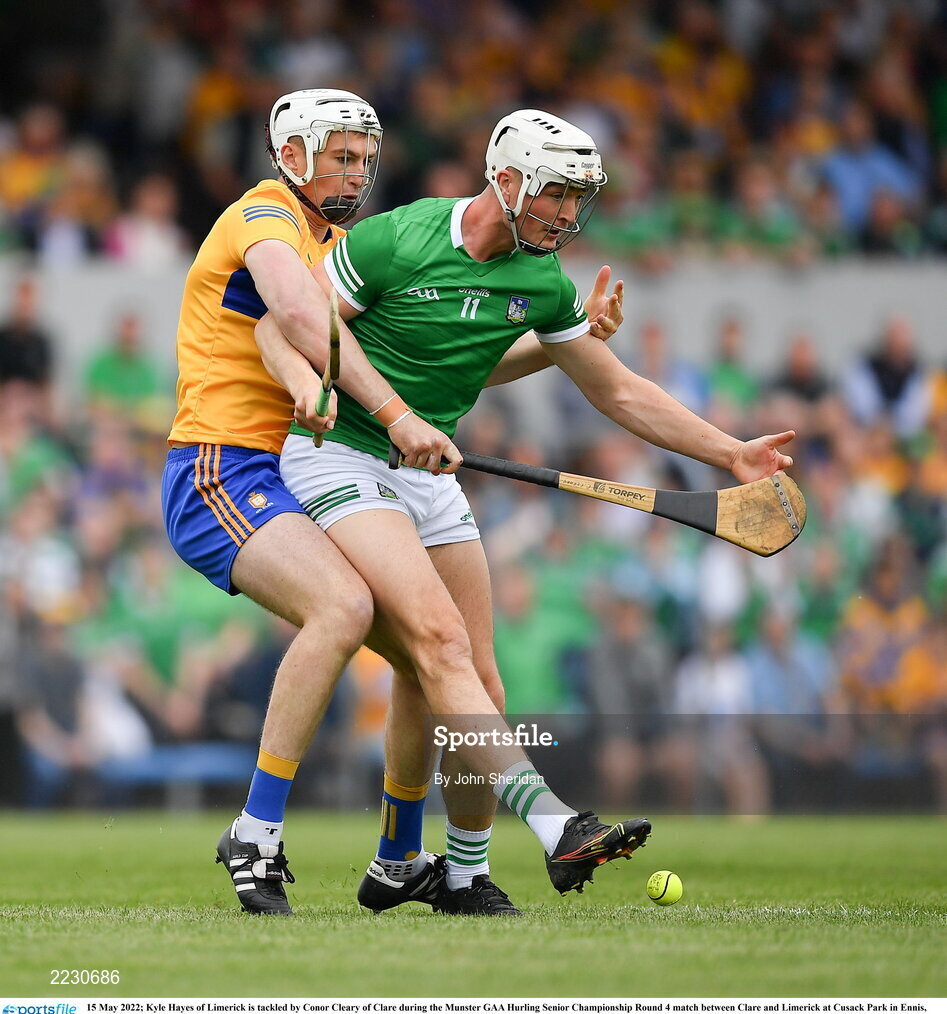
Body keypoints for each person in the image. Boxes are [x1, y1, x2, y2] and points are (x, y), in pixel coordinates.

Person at [263, 108, 796, 914]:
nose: (565, 215)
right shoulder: (392, 240)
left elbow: (615, 388)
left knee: (479, 679)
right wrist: (355, 402)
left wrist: (727, 454)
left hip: (429, 471)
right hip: (341, 456)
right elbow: (288, 328)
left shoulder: (540, 283)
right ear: (505, 181)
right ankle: (555, 827)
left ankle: (462, 873)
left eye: (576, 200)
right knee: (436, 641)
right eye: (554, 195)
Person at [161, 90, 624, 917]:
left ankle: (400, 859)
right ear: (293, 154)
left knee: (428, 654)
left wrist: (564, 340)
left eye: (366, 160)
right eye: (340, 156)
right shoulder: (265, 216)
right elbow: (294, 316)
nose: (357, 172)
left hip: (292, 468)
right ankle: (255, 831)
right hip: (221, 467)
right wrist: (390, 414)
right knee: (341, 608)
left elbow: (458, 354)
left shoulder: (344, 243)